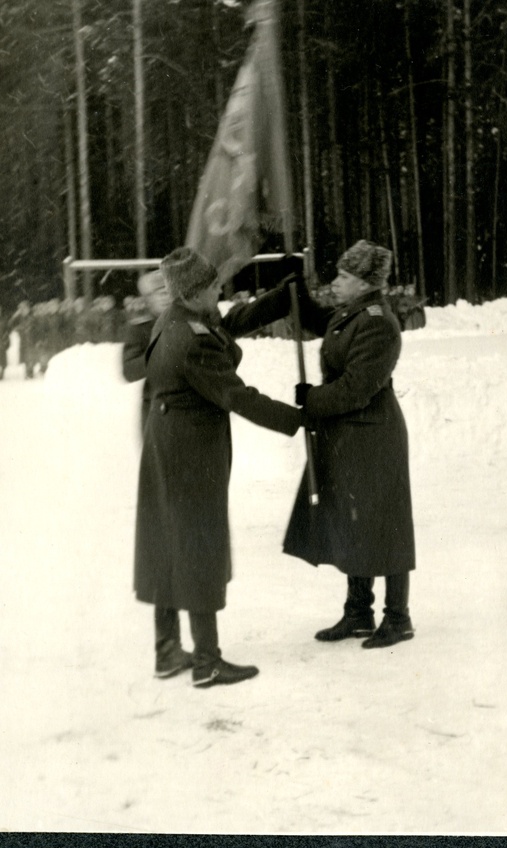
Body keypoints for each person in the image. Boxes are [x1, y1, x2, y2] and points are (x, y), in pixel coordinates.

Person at [135, 247, 302, 688]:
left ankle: (168, 651)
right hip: (190, 455)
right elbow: (237, 396)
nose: (220, 290)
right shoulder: (191, 341)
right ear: (194, 293)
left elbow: (222, 328)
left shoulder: (172, 318)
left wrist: (277, 300)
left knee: (169, 545)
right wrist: (298, 418)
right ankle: (207, 661)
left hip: (165, 445)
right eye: (213, 286)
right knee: (198, 547)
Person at [285, 239, 416, 650]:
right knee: (354, 520)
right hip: (349, 433)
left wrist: (312, 399)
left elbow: (357, 388)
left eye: (345, 276)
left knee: (385, 524)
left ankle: (398, 618)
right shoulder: (351, 312)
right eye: (338, 275)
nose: (337, 282)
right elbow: (314, 319)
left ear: (365, 283)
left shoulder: (377, 321)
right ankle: (359, 612)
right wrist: (294, 284)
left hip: (373, 433)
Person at [122, 270, 170, 438]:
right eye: (160, 294)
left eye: (168, 292)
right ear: (149, 299)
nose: (165, 297)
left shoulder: (186, 321)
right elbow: (128, 371)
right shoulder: (140, 328)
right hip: (156, 406)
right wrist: (156, 356)